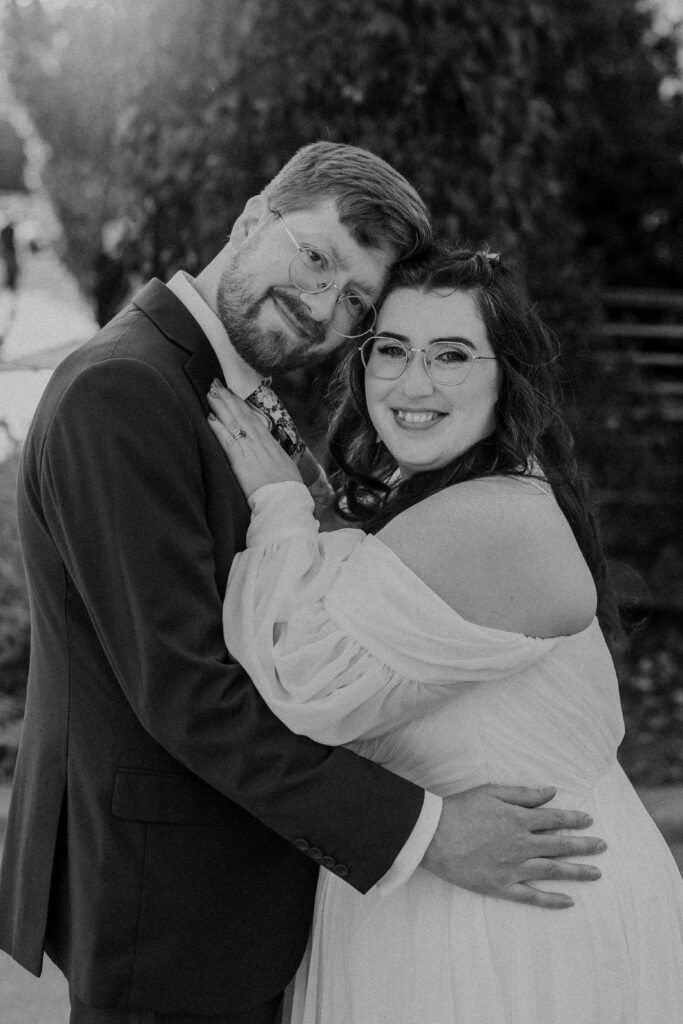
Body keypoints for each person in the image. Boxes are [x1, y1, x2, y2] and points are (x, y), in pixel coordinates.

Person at [0, 146, 605, 1024]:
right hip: (169, 907)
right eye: (316, 258)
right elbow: (189, 694)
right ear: (254, 219)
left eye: (356, 299)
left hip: (236, 893)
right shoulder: (125, 390)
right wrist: (426, 831)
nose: (322, 305)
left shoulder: (225, 387)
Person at [207, 245, 683, 1023]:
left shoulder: (491, 517)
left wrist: (278, 504)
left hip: (514, 923)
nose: (412, 382)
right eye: (390, 351)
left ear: (508, 376)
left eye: (451, 355)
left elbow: (301, 682)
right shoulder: (443, 493)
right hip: (443, 888)